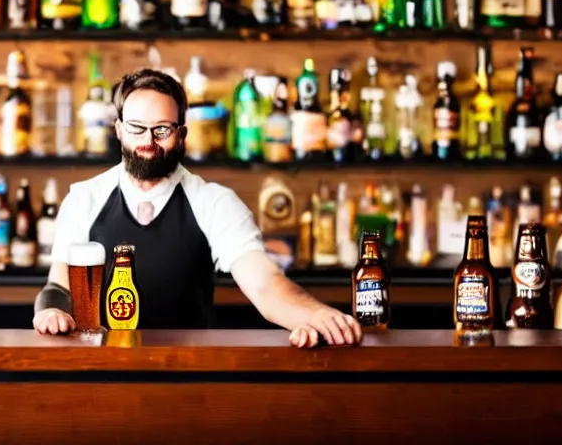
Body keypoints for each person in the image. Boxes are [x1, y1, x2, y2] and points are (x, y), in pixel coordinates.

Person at [33, 69, 362, 348]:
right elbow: (58, 287)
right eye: (136, 127)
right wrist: (50, 313)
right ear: (119, 130)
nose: (148, 140)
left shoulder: (214, 202)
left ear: (181, 135)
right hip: (100, 371)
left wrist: (315, 315)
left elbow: (265, 284)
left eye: (162, 129)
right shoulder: (83, 198)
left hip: (188, 375)